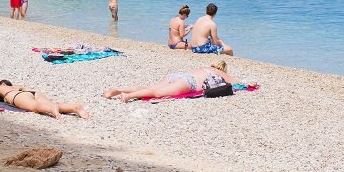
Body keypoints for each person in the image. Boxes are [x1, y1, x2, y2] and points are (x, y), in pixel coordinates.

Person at [103, 59, 244, 102]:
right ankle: (127, 96)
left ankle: (119, 90)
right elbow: (237, 82)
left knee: (151, 87)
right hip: (189, 83)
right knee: (156, 93)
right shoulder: (219, 72)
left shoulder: (204, 68)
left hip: (177, 75)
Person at [0, 80, 89, 120]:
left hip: (18, 97)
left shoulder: (1, 88)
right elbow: (23, 88)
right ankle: (74, 107)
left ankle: (51, 109)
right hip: (33, 93)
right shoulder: (15, 86)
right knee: (48, 104)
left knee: (35, 107)